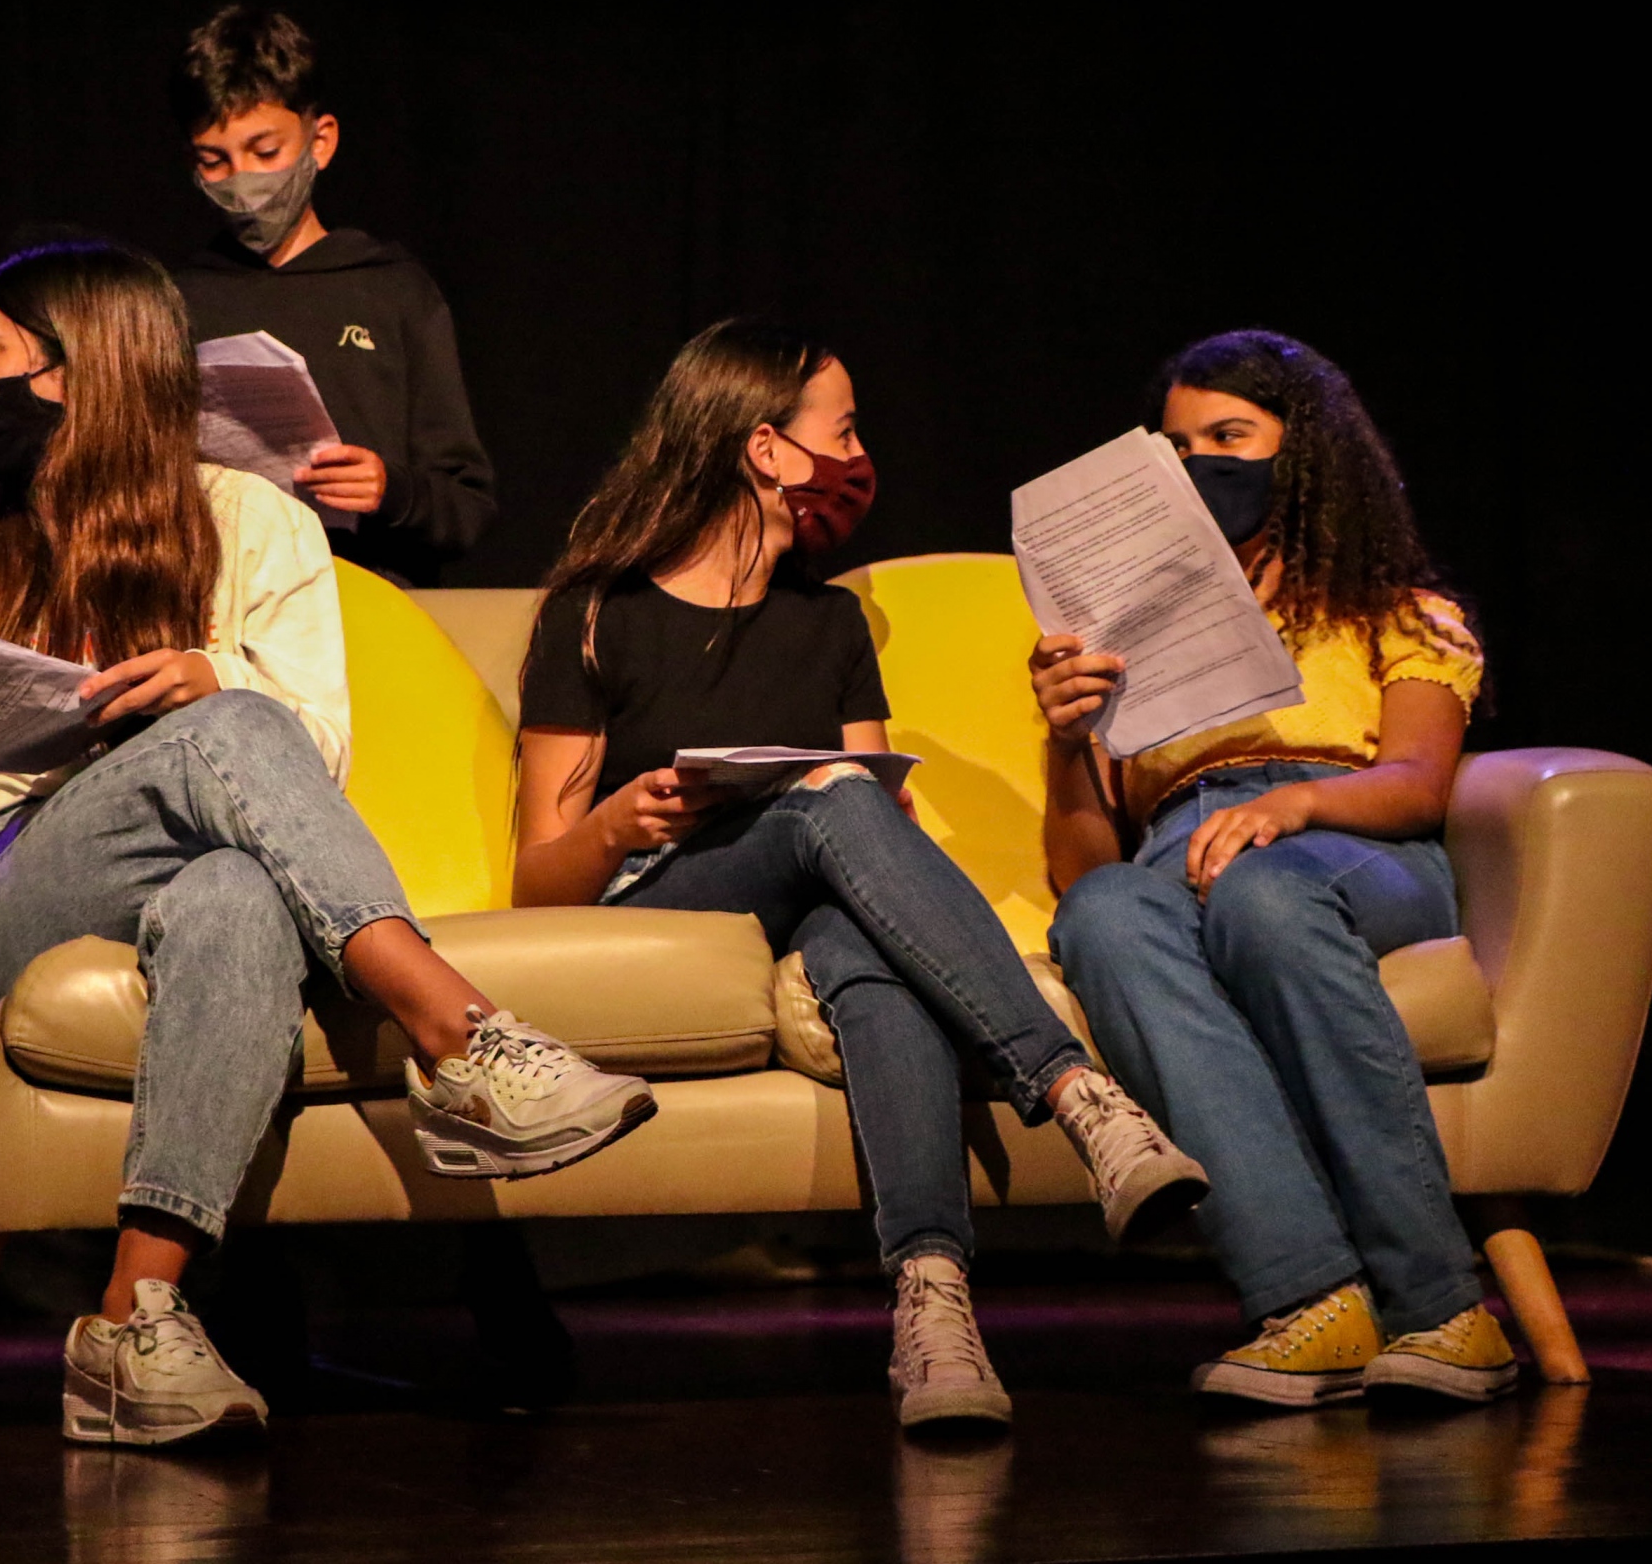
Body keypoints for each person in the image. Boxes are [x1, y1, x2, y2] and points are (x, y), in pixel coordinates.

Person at [0, 240, 652, 1447]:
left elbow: (317, 757)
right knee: (231, 726)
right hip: (26, 883)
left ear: (81, 375)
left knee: (237, 888)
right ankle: (463, 1037)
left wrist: (207, 676)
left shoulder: (254, 522)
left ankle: (133, 1321)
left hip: (200, 859)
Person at [511, 318, 1208, 1431]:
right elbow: (535, 883)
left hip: (813, 895)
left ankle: (934, 1312)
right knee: (834, 794)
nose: (858, 455)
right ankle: (1078, 1095)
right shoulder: (597, 612)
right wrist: (613, 824)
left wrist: (880, 819)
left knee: (868, 959)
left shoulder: (829, 621)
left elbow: (874, 804)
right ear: (766, 448)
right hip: (670, 889)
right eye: (840, 431)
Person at [1032, 328, 1510, 1408]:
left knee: (1265, 896)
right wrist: (1065, 738)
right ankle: (1312, 1301)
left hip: (1349, 842)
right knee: (1104, 914)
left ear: (1306, 452)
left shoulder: (1391, 607)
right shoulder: (1125, 639)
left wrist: (1293, 805)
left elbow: (1416, 783)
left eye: (1229, 437)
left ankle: (1443, 1307)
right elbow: (1084, 865)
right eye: (1176, 446)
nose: (1199, 462)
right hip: (1177, 850)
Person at [169, 4, 495, 587]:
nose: (243, 182)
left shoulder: (391, 289)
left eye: (265, 153)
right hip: (225, 606)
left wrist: (391, 490)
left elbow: (466, 507)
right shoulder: (178, 300)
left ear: (320, 141)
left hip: (368, 601)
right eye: (215, 161)